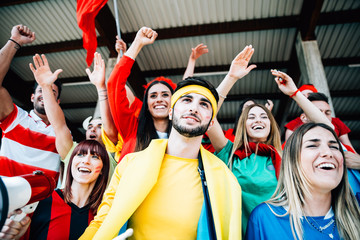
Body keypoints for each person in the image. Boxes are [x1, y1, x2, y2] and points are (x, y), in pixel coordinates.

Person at [80, 77, 242, 240]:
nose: (194, 108)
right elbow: (101, 222)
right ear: (170, 112)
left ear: (211, 121)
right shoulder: (129, 164)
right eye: (186, 100)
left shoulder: (226, 180)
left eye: (204, 104)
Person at [208, 69, 334, 234]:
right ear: (243, 125)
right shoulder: (230, 153)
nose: (258, 119)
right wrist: (231, 77)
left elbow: (327, 129)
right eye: (251, 117)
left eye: (263, 116)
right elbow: (208, 114)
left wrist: (295, 93)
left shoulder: (287, 154)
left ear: (271, 124)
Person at [246, 123, 360, 240]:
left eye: (334, 147)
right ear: (292, 161)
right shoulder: (265, 217)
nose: (328, 153)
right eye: (312, 145)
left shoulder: (357, 210)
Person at [28, 53, 118, 186]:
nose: (93, 129)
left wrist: (101, 87)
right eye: (90, 126)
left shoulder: (114, 156)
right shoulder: (72, 150)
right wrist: (46, 87)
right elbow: (58, 125)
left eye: (100, 126)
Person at [1, 140, 110, 240]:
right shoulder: (42, 199)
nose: (86, 161)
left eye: (95, 157)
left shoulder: (103, 213)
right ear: (71, 163)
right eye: (80, 154)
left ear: (102, 170)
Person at [0, 25, 61, 181]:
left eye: (51, 91)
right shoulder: (16, 118)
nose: (44, 94)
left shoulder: (62, 132)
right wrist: (15, 41)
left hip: (45, 204)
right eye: (41, 89)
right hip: (8, 199)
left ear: (58, 102)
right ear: (32, 97)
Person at [107, 27, 177, 161]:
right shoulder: (132, 128)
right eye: (153, 96)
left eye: (165, 95)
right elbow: (115, 84)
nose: (159, 99)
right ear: (146, 104)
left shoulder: (183, 135)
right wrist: (137, 43)